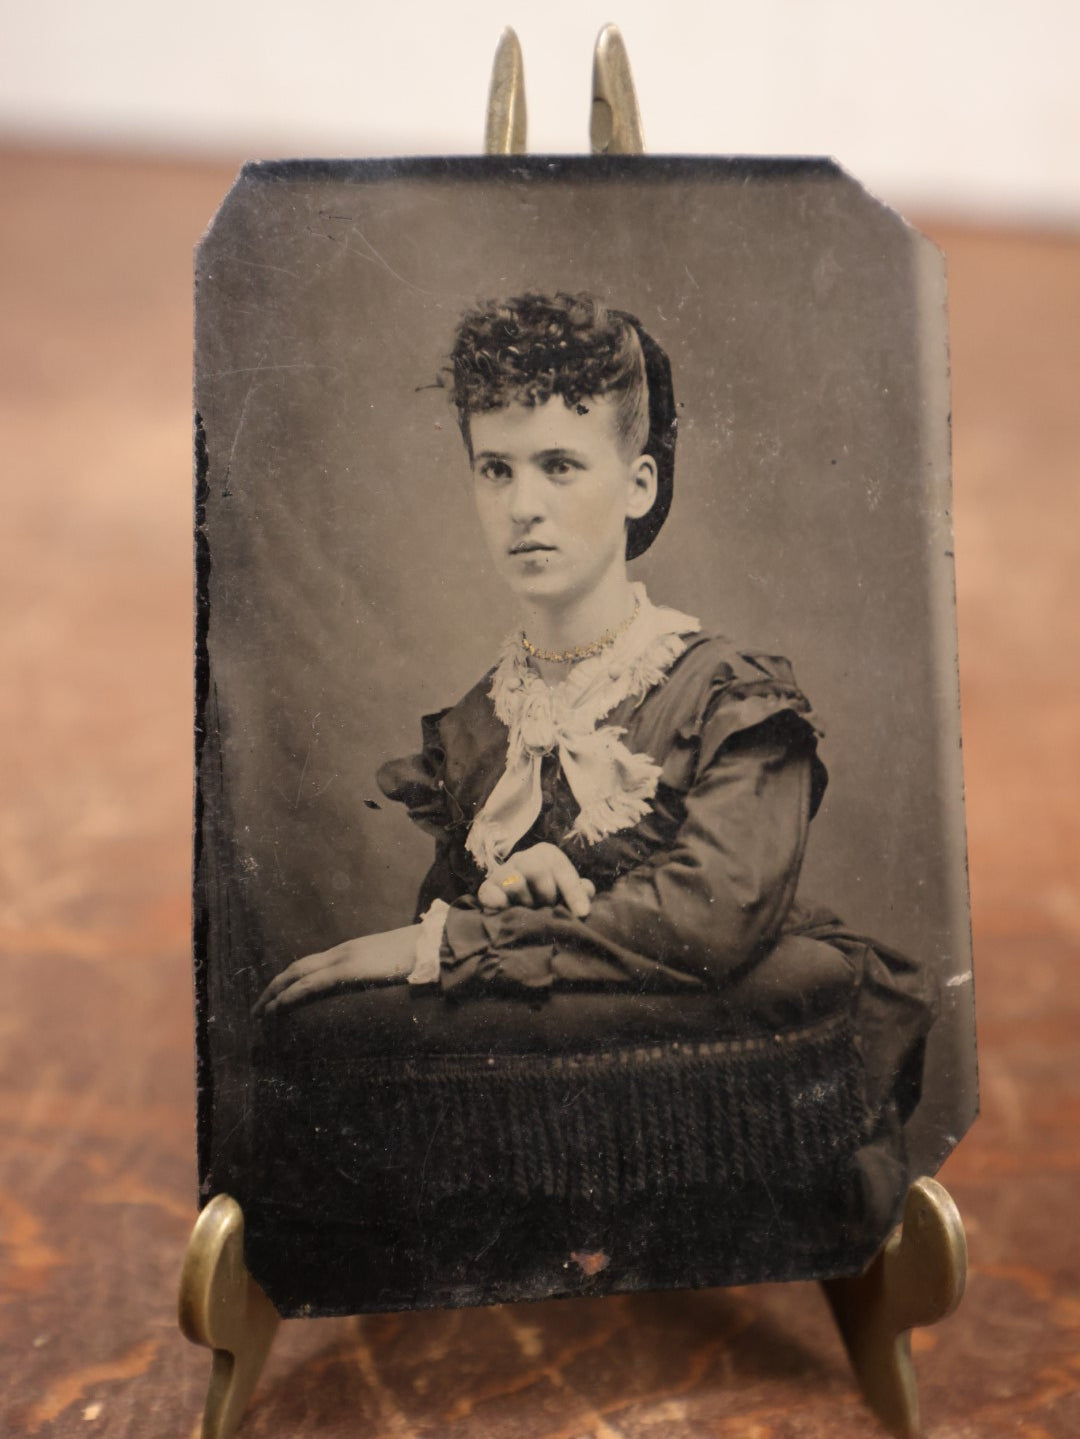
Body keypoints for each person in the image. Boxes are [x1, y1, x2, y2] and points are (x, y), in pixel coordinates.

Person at [253, 292, 935, 1136]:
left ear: (638, 484)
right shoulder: (477, 727)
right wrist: (509, 896)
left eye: (560, 466)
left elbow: (711, 919)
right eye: (495, 469)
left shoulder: (728, 694)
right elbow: (480, 962)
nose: (521, 506)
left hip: (724, 1078)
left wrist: (454, 940)